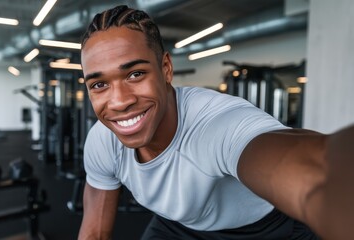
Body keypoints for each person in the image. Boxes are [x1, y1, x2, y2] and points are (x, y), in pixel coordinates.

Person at [78, 5, 354, 240]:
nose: (119, 102)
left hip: (265, 229)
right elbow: (94, 234)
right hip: (180, 225)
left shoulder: (216, 124)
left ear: (165, 69)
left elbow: (315, 169)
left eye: (136, 74)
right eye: (100, 84)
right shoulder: (103, 141)